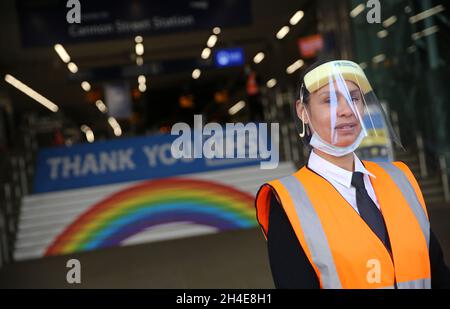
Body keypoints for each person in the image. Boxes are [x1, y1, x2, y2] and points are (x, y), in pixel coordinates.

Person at [255, 59, 450, 289]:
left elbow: (437, 272)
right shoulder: (288, 201)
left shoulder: (400, 179)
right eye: (329, 100)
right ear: (302, 111)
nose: (346, 110)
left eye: (354, 98)